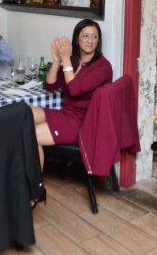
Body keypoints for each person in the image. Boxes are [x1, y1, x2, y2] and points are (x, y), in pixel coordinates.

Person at [31, 19, 112, 168]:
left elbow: (75, 89)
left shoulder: (103, 67)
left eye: (94, 36)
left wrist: (65, 59)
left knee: (30, 136)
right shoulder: (74, 61)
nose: (90, 40)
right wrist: (57, 61)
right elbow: (50, 85)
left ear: (98, 41)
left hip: (82, 123)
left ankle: (34, 182)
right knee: (24, 113)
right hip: (66, 114)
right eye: (85, 36)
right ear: (77, 39)